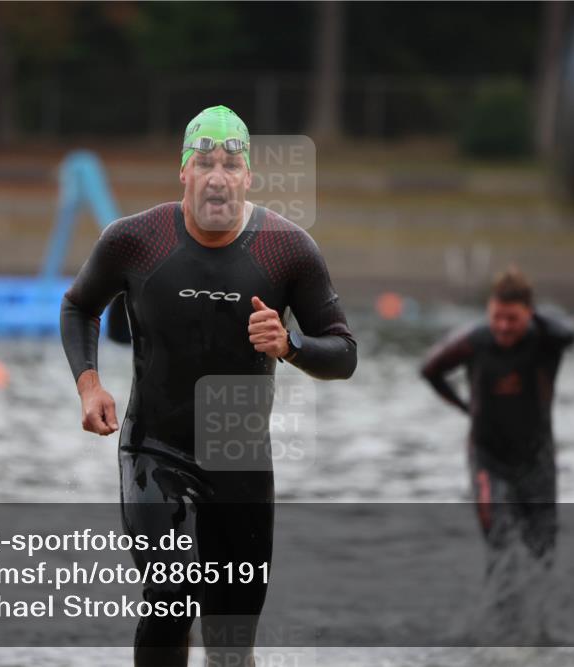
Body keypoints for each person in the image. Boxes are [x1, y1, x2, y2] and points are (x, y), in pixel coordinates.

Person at [60, 105, 357, 666]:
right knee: (171, 595)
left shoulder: (287, 248)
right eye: (204, 162)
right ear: (184, 172)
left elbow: (343, 354)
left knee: (230, 648)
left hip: (241, 468)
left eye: (231, 163)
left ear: (248, 177)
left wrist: (289, 346)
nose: (217, 175)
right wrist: (90, 385)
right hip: (155, 450)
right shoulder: (134, 240)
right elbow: (79, 306)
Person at [420, 267, 574, 573]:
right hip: (488, 459)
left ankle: (539, 620)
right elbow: (430, 370)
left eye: (512, 319)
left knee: (542, 555)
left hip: (536, 462)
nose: (503, 327)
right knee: (501, 548)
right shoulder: (475, 340)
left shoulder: (546, 340)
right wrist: (464, 407)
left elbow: (569, 333)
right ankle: (497, 617)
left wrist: (535, 318)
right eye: (496, 317)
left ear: (529, 314)